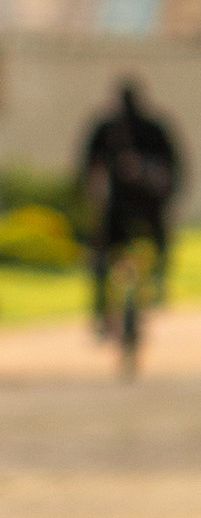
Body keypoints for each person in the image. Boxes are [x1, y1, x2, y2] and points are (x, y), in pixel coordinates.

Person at [79, 77, 182, 333]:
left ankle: (145, 287)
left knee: (109, 253)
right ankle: (105, 304)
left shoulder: (128, 128)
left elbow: (172, 167)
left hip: (141, 205)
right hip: (127, 205)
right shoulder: (142, 128)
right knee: (104, 256)